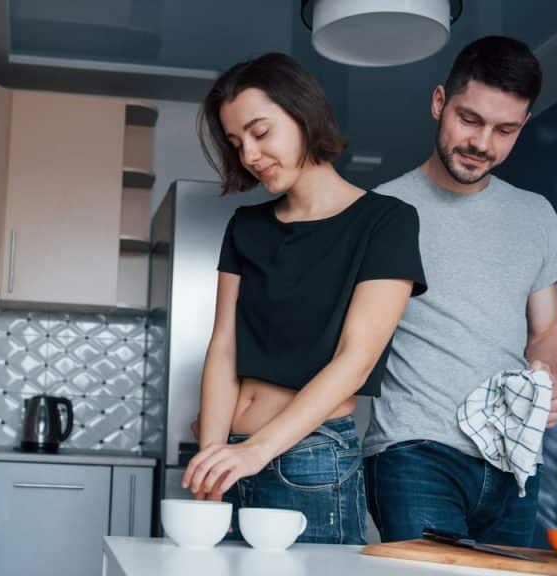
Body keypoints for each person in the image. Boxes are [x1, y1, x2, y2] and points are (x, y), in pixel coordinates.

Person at [181, 52, 427, 545]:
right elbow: (224, 346)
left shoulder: (387, 222)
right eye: (236, 142)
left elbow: (355, 361)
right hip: (230, 452)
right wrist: (213, 453)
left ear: (303, 114)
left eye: (260, 132)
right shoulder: (246, 227)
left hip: (309, 459)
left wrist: (258, 451)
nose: (248, 154)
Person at [362, 36, 557, 546]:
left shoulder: (536, 215)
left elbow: (548, 330)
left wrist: (548, 380)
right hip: (414, 450)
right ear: (439, 103)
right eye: (470, 120)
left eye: (505, 130)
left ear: (522, 126)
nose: (483, 143)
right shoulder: (382, 211)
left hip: (515, 459)